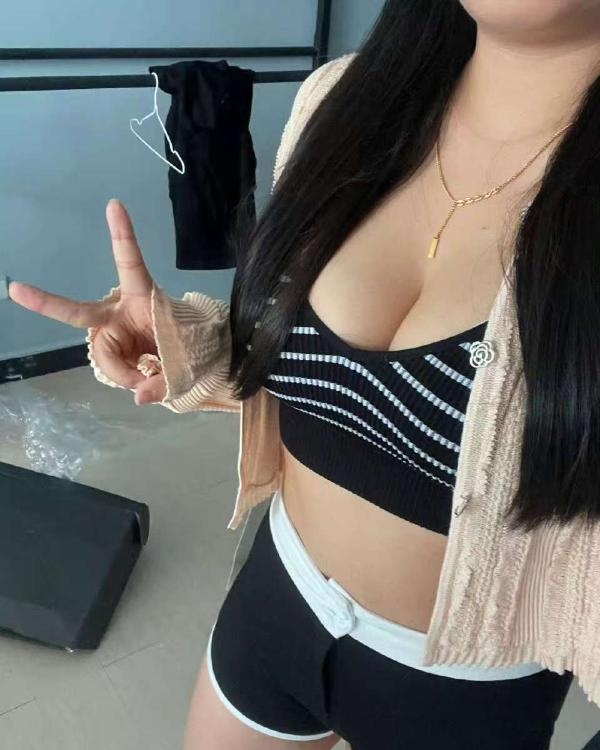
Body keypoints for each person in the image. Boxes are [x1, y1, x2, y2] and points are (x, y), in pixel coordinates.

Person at [8, 1, 600, 748]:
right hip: (279, 596)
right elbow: (314, 369)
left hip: (462, 686)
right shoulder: (345, 100)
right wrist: (184, 343)